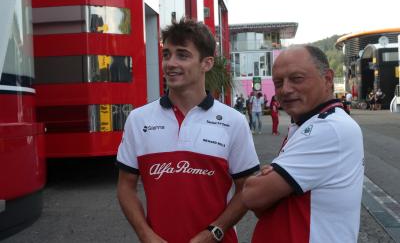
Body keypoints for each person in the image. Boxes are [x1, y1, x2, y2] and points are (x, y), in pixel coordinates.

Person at [116, 18, 260, 243]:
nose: (170, 63)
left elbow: (246, 189)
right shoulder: (138, 119)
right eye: (167, 54)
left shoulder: (234, 121)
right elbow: (125, 186)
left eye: (182, 55)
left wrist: (215, 232)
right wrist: (145, 235)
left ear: (207, 63)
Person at [242, 45, 364, 243]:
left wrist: (263, 181)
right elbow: (260, 205)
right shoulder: (308, 124)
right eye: (278, 82)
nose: (286, 89)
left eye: (297, 78)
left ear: (328, 79)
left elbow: (251, 196)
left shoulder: (328, 128)